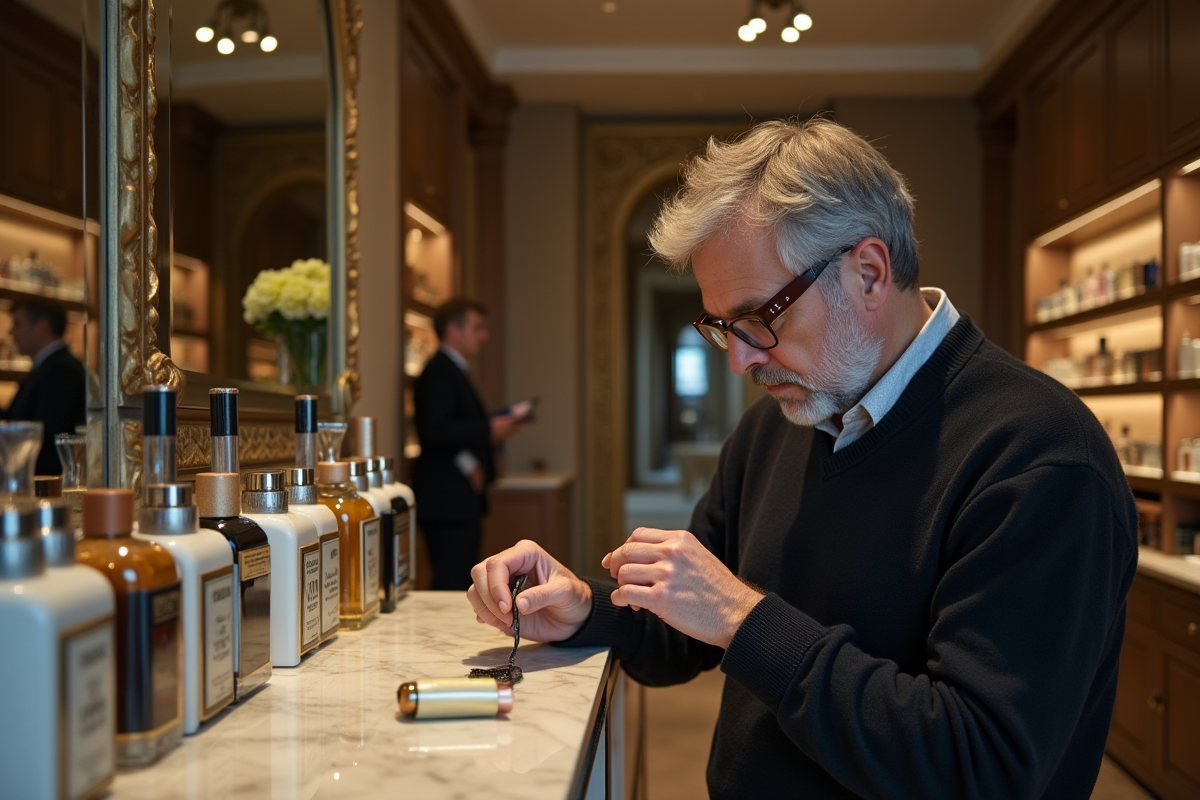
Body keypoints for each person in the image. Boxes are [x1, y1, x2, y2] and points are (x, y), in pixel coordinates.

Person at [468, 119, 1137, 799]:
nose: (739, 359)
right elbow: (689, 623)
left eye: (760, 317)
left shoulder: (1041, 457)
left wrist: (746, 620)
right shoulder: (776, 427)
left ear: (869, 273)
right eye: (721, 326)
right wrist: (587, 607)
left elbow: (978, 767)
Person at [414, 299, 525, 590]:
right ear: (453, 330)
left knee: (458, 575)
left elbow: (450, 426)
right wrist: (488, 428)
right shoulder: (439, 371)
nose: (483, 336)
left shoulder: (452, 369)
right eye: (477, 328)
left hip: (456, 498)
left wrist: (474, 455)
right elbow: (435, 430)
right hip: (446, 499)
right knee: (450, 581)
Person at [2, 300, 86, 475]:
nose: (11, 332)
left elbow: (48, 444)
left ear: (42, 327)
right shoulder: (48, 367)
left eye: (18, 324)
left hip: (44, 488)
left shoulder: (61, 370)